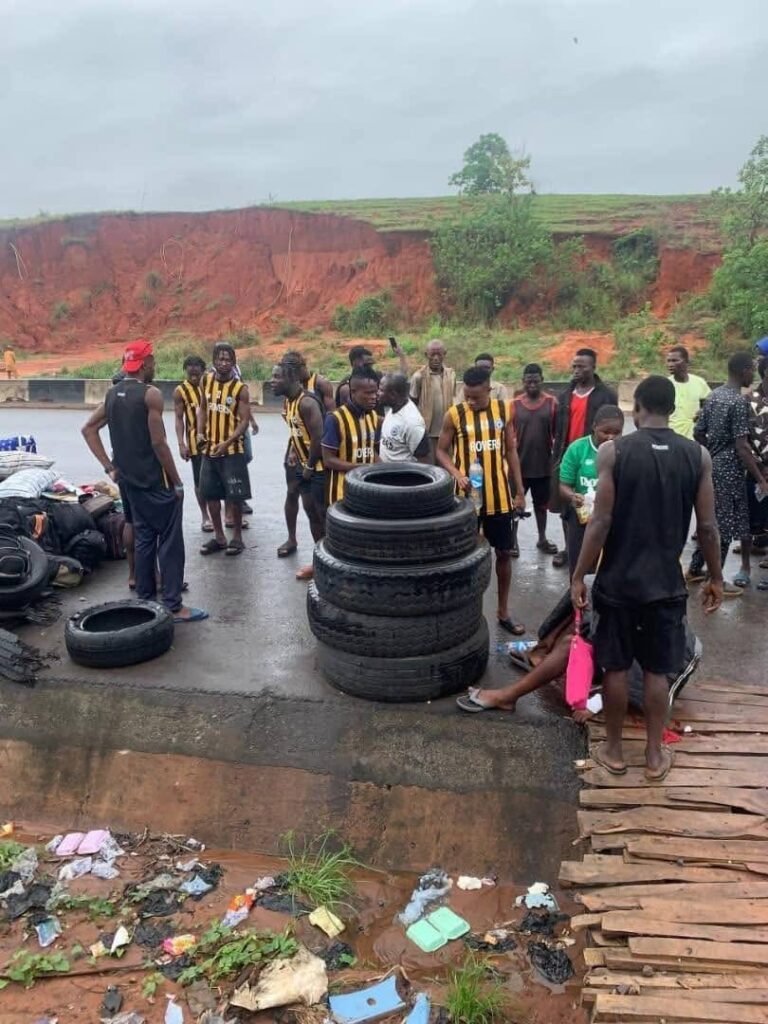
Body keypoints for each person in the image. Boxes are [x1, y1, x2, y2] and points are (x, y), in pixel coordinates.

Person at [571, 375, 723, 781]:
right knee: (657, 671)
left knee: (616, 668)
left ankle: (614, 751)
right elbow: (708, 528)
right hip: (665, 586)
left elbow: (600, 521)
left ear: (636, 408)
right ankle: (655, 756)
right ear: (672, 409)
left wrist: (579, 575)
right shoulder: (698, 456)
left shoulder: (613, 452)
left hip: (618, 583)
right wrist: (716, 578)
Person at [82, 339, 206, 623]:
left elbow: (88, 429)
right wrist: (177, 482)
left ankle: (146, 600)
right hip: (155, 482)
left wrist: (110, 468)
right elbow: (159, 443)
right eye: (153, 361)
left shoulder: (112, 395)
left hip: (128, 482)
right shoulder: (150, 395)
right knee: (170, 544)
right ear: (146, 363)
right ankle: (173, 606)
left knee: (144, 539)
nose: (154, 366)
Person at [457, 583, 701, 718]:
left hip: (666, 667)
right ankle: (509, 695)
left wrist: (595, 703)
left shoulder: (655, 603)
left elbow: (639, 672)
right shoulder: (613, 588)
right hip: (627, 638)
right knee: (572, 639)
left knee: (602, 639)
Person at [437, 366, 526, 634]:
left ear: (489, 388)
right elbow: (441, 451)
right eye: (467, 396)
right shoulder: (455, 414)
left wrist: (519, 491)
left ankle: (503, 611)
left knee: (504, 553)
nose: (470, 401)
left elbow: (511, 451)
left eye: (475, 397)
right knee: (463, 556)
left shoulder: (504, 410)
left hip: (499, 498)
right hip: (467, 500)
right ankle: (462, 613)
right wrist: (456, 473)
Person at [688, 351, 768, 589]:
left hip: (713, 465)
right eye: (751, 370)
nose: (753, 375)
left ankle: (695, 569)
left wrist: (713, 452)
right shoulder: (738, 401)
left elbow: (698, 432)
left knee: (713, 520)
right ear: (744, 371)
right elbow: (742, 446)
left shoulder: (714, 396)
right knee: (723, 527)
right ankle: (715, 580)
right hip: (731, 469)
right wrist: (759, 478)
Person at [551, 349, 618, 568]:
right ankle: (569, 548)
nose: (577, 370)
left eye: (582, 366)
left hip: (595, 454)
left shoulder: (606, 395)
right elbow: (557, 427)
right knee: (568, 507)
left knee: (596, 504)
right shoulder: (565, 394)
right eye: (574, 366)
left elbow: (613, 426)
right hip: (568, 455)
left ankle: (594, 550)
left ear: (593, 368)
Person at [272, 355, 326, 579]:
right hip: (303, 466)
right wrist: (294, 450)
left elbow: (319, 437)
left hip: (318, 469)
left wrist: (310, 466)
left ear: (292, 377)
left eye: (277, 377)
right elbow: (298, 431)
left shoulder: (307, 402)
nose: (272, 381)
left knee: (323, 516)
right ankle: (320, 561)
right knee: (311, 513)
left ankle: (330, 563)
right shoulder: (289, 401)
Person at [196, 342, 252, 557]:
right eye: (220, 359)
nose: (224, 363)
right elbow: (203, 408)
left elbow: (244, 421)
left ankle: (237, 538)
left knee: (234, 497)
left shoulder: (240, 389)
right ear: (213, 361)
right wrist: (200, 433)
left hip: (232, 451)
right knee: (210, 495)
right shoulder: (206, 380)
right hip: (210, 450)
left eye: (228, 359)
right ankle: (219, 537)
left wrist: (227, 443)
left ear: (234, 362)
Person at [559, 406, 624, 576]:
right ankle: (576, 589)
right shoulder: (578, 449)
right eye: (605, 432)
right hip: (583, 517)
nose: (610, 437)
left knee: (611, 568)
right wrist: (572, 496)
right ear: (594, 427)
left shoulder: (625, 451)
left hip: (613, 519)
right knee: (579, 567)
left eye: (616, 432)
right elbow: (564, 485)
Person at [510, 364, 558, 556]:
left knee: (541, 506)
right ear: (523, 381)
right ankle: (512, 541)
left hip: (543, 467)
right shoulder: (514, 405)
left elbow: (557, 433)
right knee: (514, 506)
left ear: (542, 380)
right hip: (518, 467)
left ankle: (542, 538)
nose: (532, 384)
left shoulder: (552, 403)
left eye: (536, 381)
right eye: (528, 381)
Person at [323, 370, 382, 504]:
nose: (374, 397)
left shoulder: (373, 417)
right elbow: (328, 459)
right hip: (341, 494)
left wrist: (383, 469)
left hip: (366, 490)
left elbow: (372, 450)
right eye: (368, 393)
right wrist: (361, 467)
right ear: (353, 392)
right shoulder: (335, 419)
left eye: (375, 392)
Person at [173, 356, 213, 534]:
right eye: (190, 369)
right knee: (200, 481)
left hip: (217, 440)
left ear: (203, 370)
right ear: (185, 371)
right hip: (196, 444)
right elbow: (179, 418)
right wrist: (181, 443)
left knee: (222, 478)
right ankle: (205, 516)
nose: (194, 373)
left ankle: (228, 514)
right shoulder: (180, 391)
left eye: (197, 369)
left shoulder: (213, 386)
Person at [410, 340, 456, 463]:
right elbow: (412, 403)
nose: (436, 358)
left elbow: (453, 398)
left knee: (446, 466)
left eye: (439, 354)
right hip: (427, 433)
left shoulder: (451, 375)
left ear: (444, 354)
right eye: (432, 355)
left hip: (447, 432)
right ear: (426, 355)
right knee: (429, 467)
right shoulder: (419, 376)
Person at [748, 357, 768, 590]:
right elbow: (744, 439)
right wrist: (761, 468)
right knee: (757, 521)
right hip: (756, 470)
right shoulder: (749, 400)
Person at [379, 373, 431, 463]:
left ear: (393, 395)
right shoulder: (395, 407)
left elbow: (424, 461)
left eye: (381, 390)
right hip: (385, 470)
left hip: (401, 472)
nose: (377, 393)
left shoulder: (412, 422)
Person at [666, 345, 711, 439]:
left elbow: (709, 405)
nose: (670, 364)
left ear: (686, 362)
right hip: (672, 437)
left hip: (694, 437)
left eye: (674, 360)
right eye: (668, 361)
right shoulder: (665, 384)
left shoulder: (699, 382)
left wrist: (702, 412)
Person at [284, 350, 335, 414]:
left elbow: (331, 412)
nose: (291, 375)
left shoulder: (322, 383)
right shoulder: (292, 384)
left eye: (293, 372)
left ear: (302, 367)